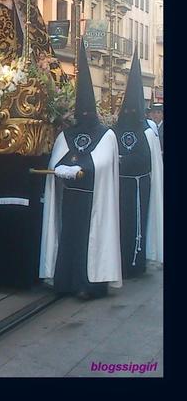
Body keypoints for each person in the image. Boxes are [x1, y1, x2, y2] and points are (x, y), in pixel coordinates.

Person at [39, 40, 122, 300]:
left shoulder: (106, 134)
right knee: (69, 237)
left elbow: (103, 161)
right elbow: (56, 161)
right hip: (71, 199)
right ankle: (65, 280)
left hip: (93, 199)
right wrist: (63, 170)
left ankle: (91, 283)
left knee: (89, 239)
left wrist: (79, 168)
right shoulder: (68, 133)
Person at [112, 51, 163, 278]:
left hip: (140, 188)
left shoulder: (148, 134)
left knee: (136, 227)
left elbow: (154, 167)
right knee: (119, 225)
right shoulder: (114, 132)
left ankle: (136, 262)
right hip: (118, 188)